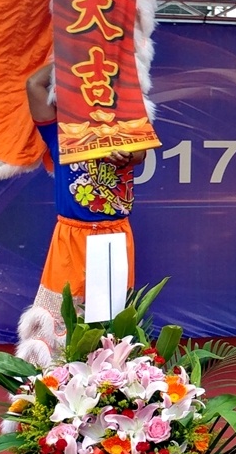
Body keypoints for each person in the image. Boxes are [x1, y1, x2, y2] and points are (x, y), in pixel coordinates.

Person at [15, 62, 146, 364]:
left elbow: (139, 153)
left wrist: (125, 153)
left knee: (109, 321)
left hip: (113, 234)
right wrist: (71, 54)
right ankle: (49, 385)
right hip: (71, 236)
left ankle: (105, 386)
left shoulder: (126, 122)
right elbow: (34, 85)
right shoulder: (61, 132)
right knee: (58, 316)